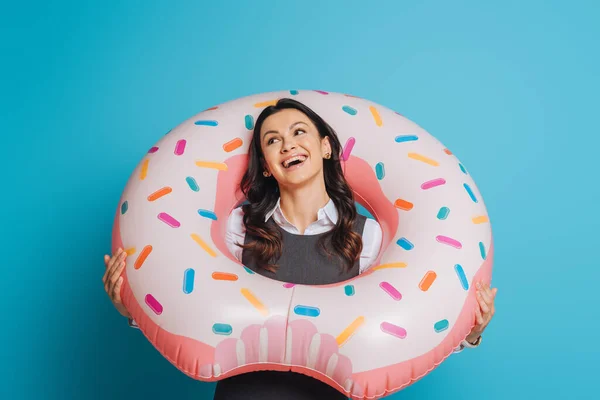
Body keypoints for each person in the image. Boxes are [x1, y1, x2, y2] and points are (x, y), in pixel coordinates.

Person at [103, 98, 497, 399]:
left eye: (298, 132)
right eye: (272, 140)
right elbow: (194, 308)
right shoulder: (239, 227)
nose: (287, 144)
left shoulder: (368, 237)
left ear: (326, 147)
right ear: (268, 165)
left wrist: (470, 332)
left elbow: (407, 322)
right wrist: (131, 307)